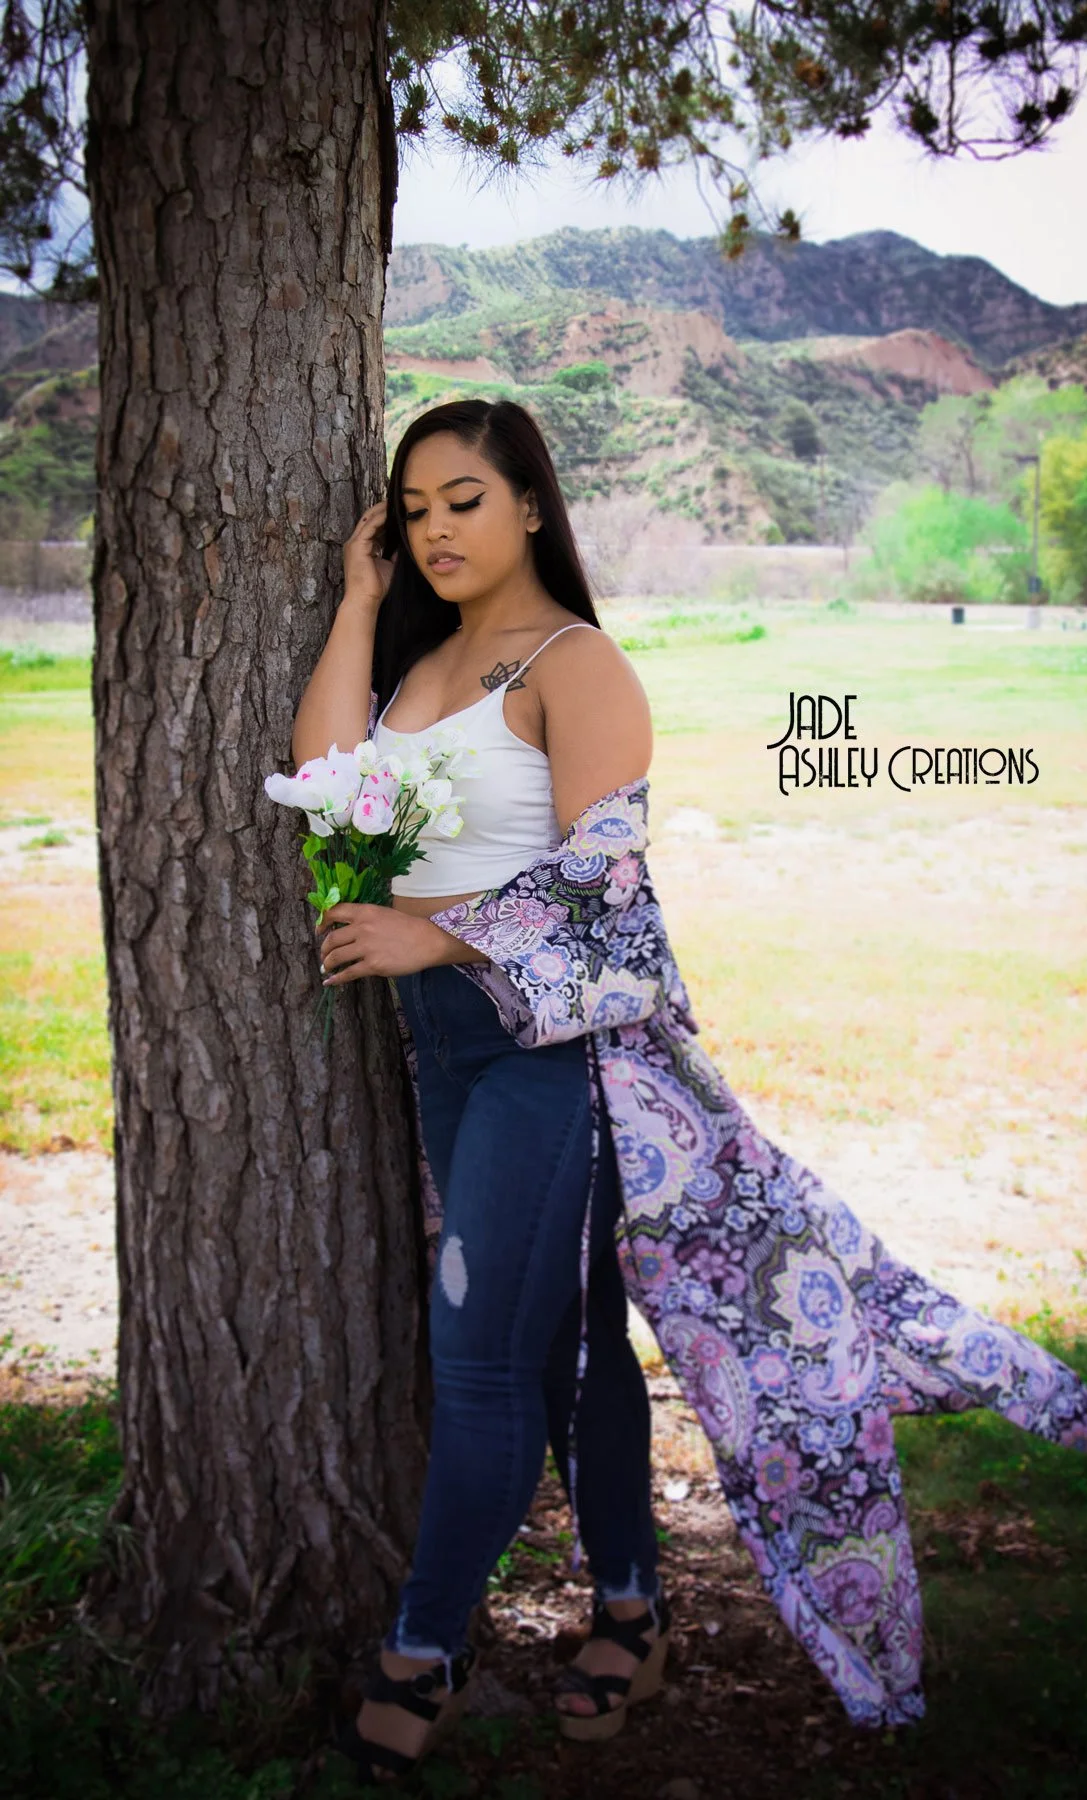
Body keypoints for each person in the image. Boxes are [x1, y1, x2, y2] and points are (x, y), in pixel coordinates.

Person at [290, 399, 671, 1781]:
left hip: (546, 1051)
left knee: (484, 1357)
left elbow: (607, 876)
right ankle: (634, 1601)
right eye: (415, 505)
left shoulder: (579, 663)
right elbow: (336, 796)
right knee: (567, 1336)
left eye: (464, 498)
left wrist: (437, 932)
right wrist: (355, 601)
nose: (437, 526)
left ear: (527, 506)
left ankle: (423, 1646)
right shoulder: (421, 663)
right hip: (440, 1046)